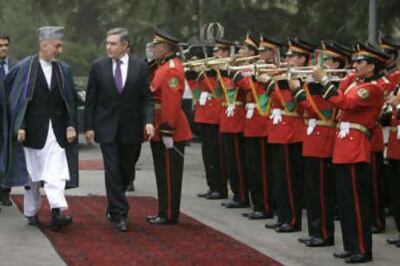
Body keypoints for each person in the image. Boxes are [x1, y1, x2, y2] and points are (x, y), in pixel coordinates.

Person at [313, 42, 389, 263]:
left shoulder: (372, 89)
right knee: (346, 201)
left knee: (357, 202)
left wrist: (325, 80)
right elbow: (340, 93)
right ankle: (350, 245)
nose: (355, 65)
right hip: (344, 145)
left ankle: (362, 249)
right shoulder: (354, 83)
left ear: (372, 67)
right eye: (354, 61)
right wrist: (328, 76)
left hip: (356, 147)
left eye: (360, 62)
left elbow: (345, 102)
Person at [3, 26, 79, 231]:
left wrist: (71, 125)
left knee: (56, 172)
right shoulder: (24, 68)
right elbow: (16, 101)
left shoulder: (63, 69)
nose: (60, 50)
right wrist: (20, 125)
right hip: (32, 132)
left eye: (61, 46)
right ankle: (31, 212)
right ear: (43, 44)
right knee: (33, 176)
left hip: (57, 131)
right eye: (57, 46)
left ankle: (57, 212)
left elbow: (69, 101)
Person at [85, 28, 154, 232]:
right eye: (107, 43)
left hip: (131, 129)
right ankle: (119, 213)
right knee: (112, 170)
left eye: (113, 44)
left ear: (125, 45)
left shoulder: (140, 66)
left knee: (126, 170)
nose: (108, 47)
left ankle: (115, 201)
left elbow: (147, 98)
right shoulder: (98, 67)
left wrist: (149, 121)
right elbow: (91, 100)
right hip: (106, 128)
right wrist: (88, 126)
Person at [292, 41, 351, 246]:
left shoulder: (335, 85)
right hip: (313, 136)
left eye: (327, 60)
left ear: (336, 64)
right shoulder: (324, 84)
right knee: (312, 190)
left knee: (321, 191)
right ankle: (316, 231)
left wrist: (299, 92)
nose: (322, 64)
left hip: (324, 137)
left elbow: (322, 109)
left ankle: (324, 233)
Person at [259, 38, 310, 233]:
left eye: (291, 56)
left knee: (290, 180)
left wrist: (271, 84)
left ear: (302, 59)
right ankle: (282, 216)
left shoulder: (301, 78)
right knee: (279, 178)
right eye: (287, 55)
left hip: (292, 132)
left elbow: (290, 104)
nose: (287, 59)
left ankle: (293, 219)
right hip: (279, 131)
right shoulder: (285, 75)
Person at [146, 30, 192, 225]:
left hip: (168, 126)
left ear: (164, 48)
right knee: (162, 172)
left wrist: (167, 129)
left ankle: (169, 213)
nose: (153, 49)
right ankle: (163, 210)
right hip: (159, 122)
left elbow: (171, 101)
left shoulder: (171, 68)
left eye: (156, 46)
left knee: (170, 174)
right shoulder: (163, 65)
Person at [0, 33, 15, 207]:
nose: (3, 48)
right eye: (0, 45)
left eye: (5, 45)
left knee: (8, 155)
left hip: (10, 118)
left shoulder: (15, 66)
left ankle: (4, 192)